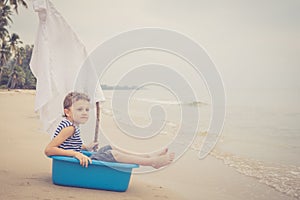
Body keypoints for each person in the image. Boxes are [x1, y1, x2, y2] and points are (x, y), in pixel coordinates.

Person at [45, 92, 175, 168]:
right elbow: (49, 150)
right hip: (73, 165)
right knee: (114, 154)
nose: (84, 113)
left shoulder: (72, 125)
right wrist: (76, 154)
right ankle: (151, 162)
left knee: (109, 147)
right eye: (79, 110)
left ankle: (147, 155)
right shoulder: (69, 128)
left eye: (86, 109)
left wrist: (85, 147)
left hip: (77, 159)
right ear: (67, 112)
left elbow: (68, 145)